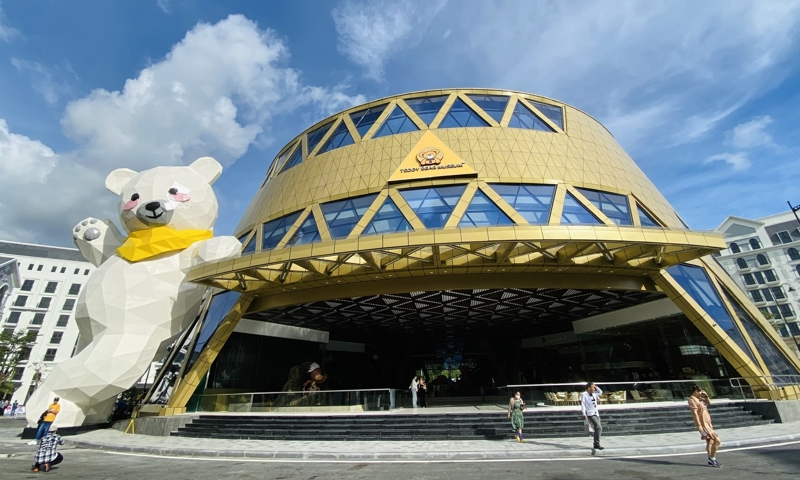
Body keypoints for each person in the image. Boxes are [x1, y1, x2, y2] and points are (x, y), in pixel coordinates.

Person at [689, 385, 722, 468]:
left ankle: (710, 459)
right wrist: (699, 426)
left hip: (708, 423)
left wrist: (706, 395)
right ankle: (712, 458)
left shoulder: (700, 399)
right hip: (703, 425)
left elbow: (709, 403)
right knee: (717, 440)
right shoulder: (692, 400)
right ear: (695, 391)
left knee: (710, 441)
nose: (701, 393)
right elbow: (695, 414)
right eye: (699, 391)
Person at [580, 381, 604, 454]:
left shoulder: (594, 394)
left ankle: (596, 443)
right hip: (590, 413)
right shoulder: (584, 394)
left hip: (596, 413)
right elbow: (583, 404)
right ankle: (596, 443)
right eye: (593, 387)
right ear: (589, 387)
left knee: (598, 428)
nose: (594, 388)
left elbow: (600, 392)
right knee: (598, 427)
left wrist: (596, 386)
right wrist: (584, 414)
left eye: (594, 387)